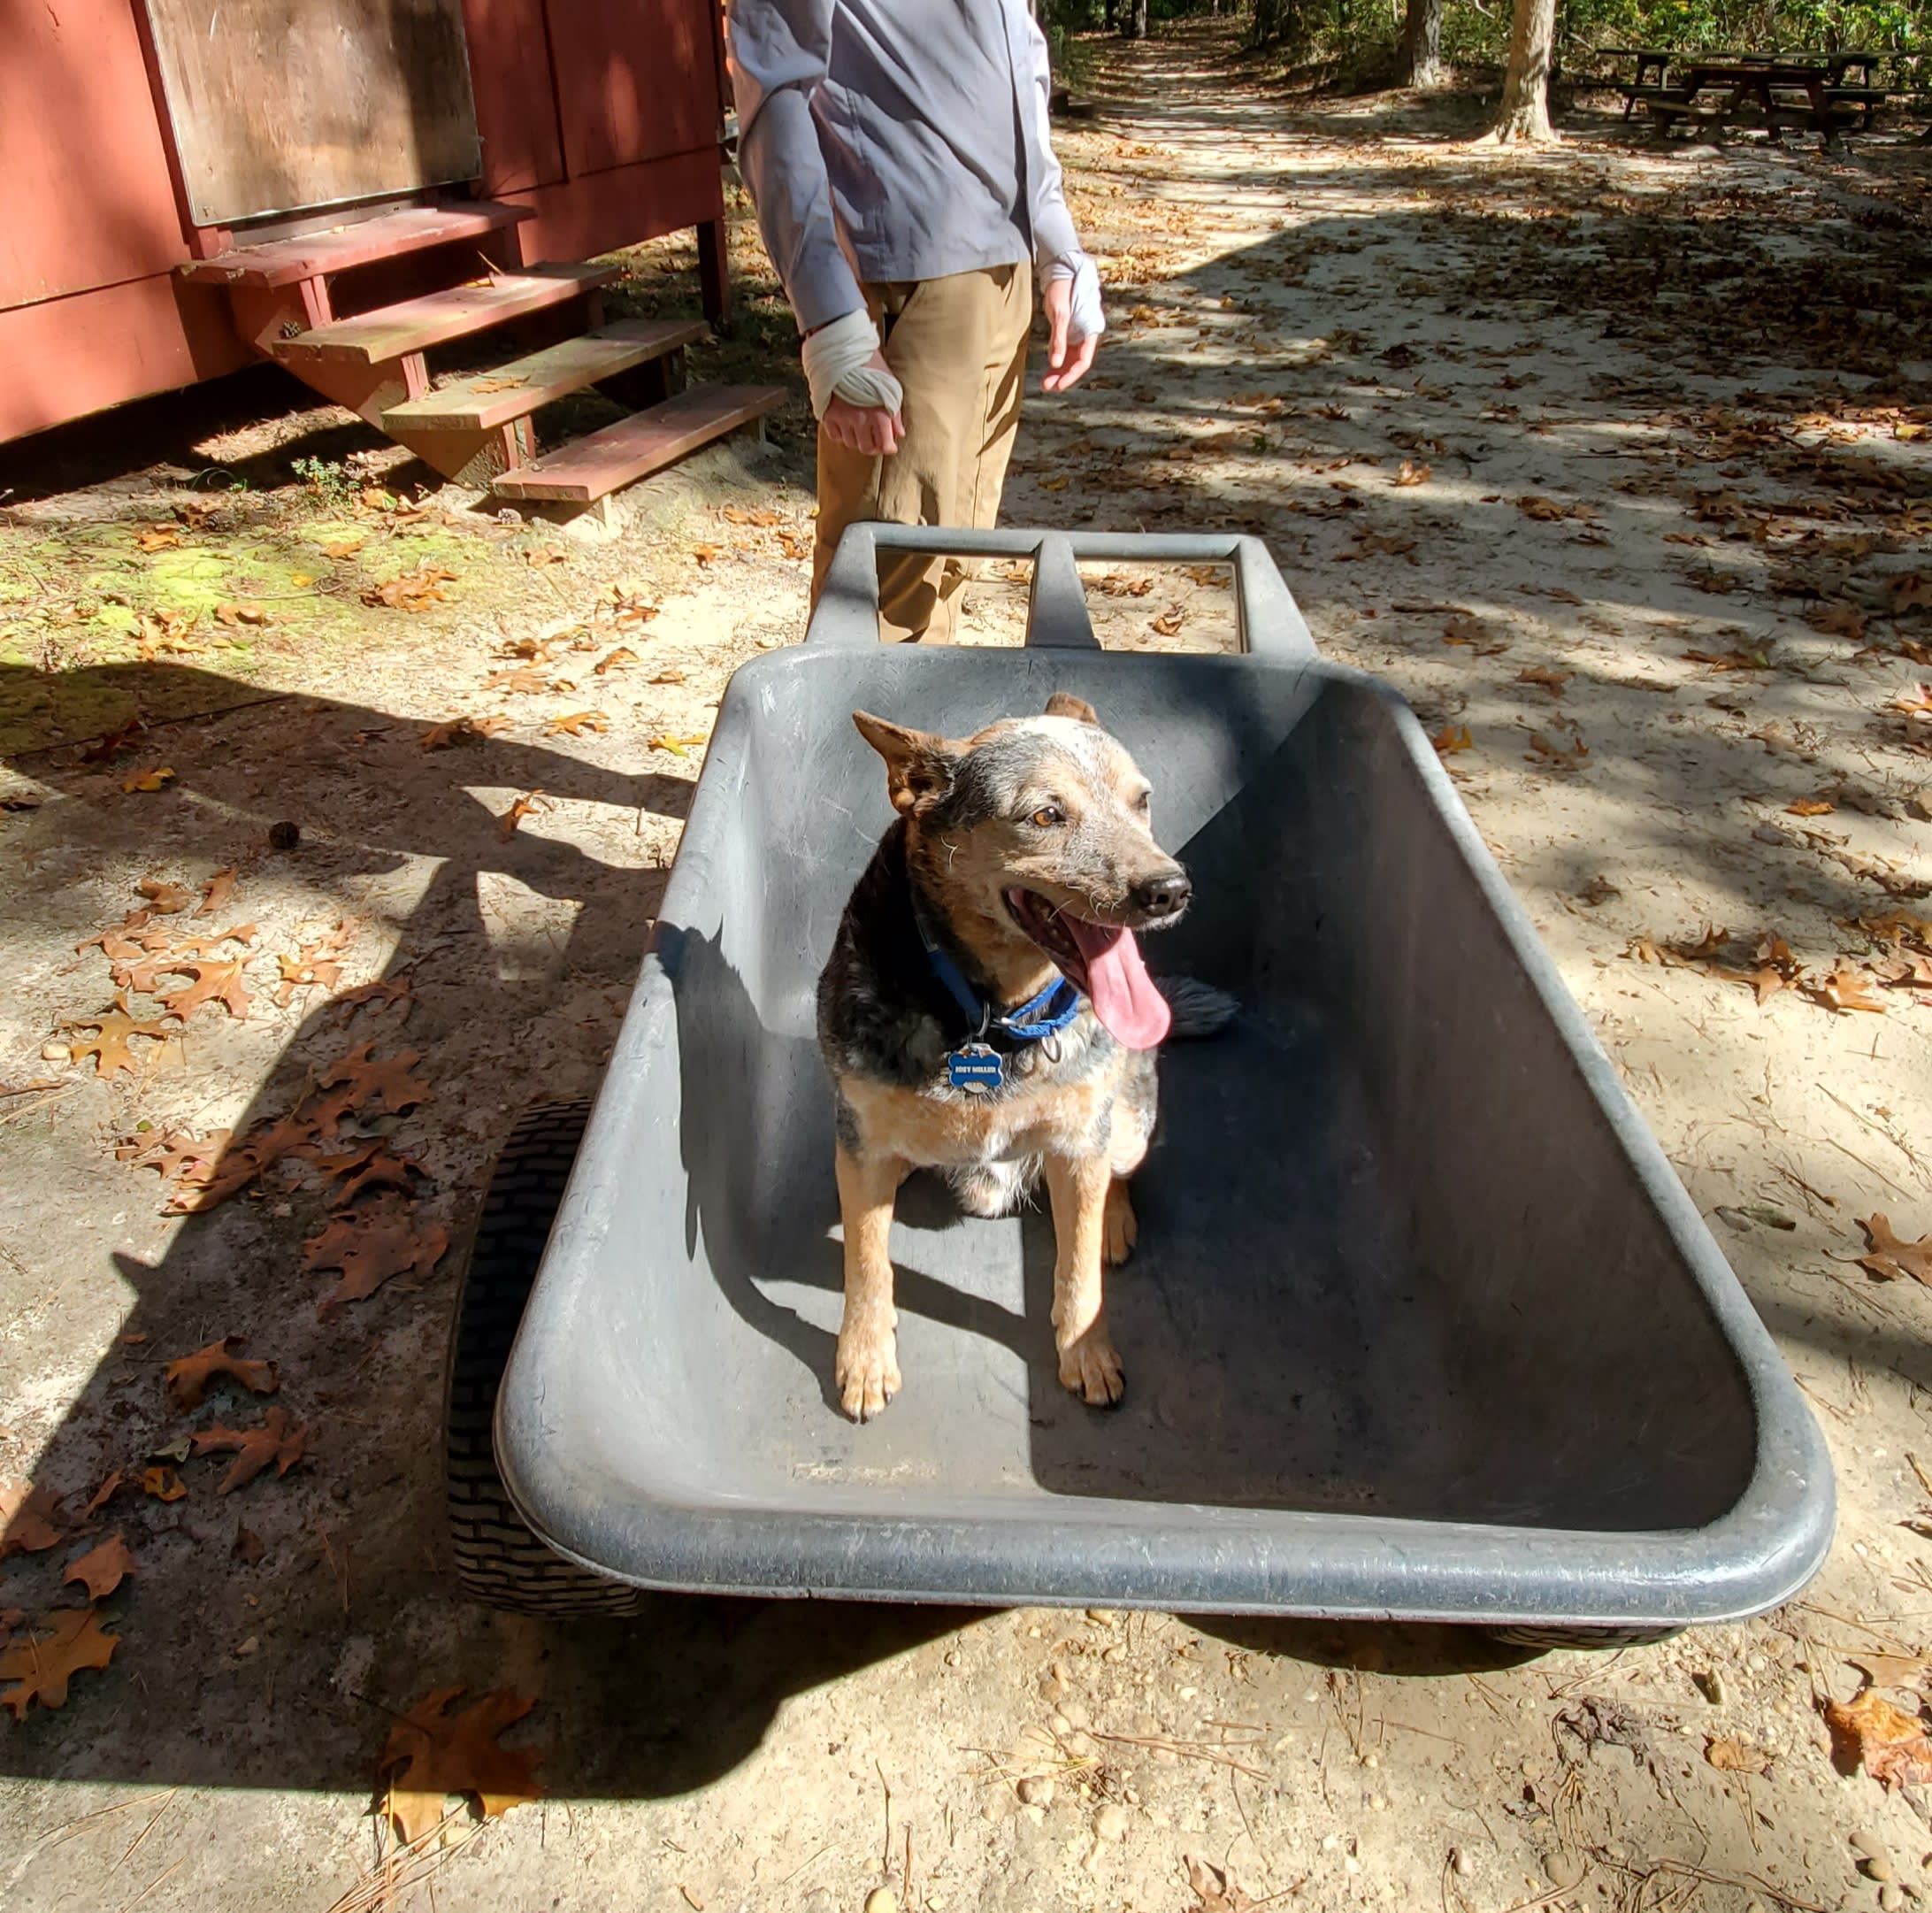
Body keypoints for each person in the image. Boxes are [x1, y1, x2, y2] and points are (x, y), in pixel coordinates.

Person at [727, 0, 1106, 642]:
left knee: (951, 568)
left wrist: (1056, 245)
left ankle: (921, 740)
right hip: (903, 272)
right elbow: (774, 91)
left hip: (1004, 271)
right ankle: (848, 747)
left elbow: (1019, 52)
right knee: (882, 592)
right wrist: (831, 319)